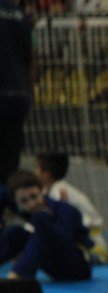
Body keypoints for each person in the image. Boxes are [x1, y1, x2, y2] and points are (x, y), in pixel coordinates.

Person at [1, 170, 93, 281]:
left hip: (78, 268)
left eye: (34, 196)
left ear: (42, 192)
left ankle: (18, 275)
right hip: (54, 267)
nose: (31, 204)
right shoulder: (19, 203)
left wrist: (42, 218)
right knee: (13, 232)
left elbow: (63, 242)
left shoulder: (64, 210)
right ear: (16, 202)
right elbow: (3, 192)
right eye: (24, 201)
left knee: (42, 226)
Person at [34, 153, 108, 263]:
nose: (34, 173)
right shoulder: (48, 192)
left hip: (89, 244)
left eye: (36, 168)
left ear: (47, 174)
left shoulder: (60, 192)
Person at [0, 0, 34, 185]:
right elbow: (32, 56)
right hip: (17, 97)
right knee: (9, 169)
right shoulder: (21, 15)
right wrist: (30, 92)